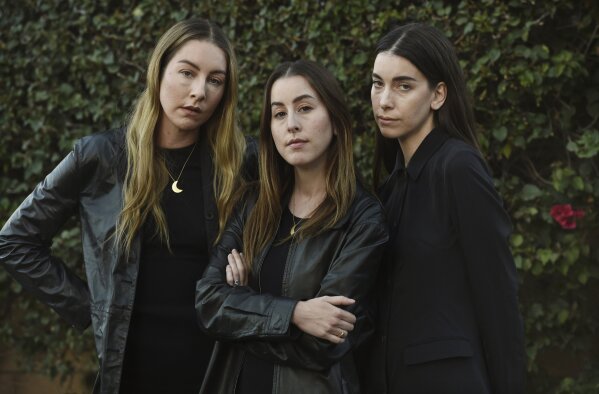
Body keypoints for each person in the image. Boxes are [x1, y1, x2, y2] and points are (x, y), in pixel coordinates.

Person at [0, 18, 256, 394]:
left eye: (215, 80)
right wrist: (91, 306)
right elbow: (15, 240)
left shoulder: (242, 162)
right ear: (159, 72)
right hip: (130, 372)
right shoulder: (101, 156)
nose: (199, 91)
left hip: (215, 370)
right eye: (187, 72)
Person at [195, 60, 388, 394]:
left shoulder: (363, 220)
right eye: (279, 113)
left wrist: (241, 307)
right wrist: (296, 313)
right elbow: (209, 302)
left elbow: (325, 342)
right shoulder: (253, 205)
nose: (292, 124)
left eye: (305, 108)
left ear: (337, 121)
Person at [361, 22, 526, 393]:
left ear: (438, 95)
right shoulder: (389, 187)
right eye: (377, 83)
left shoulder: (458, 168)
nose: (384, 100)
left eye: (403, 86)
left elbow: (498, 297)